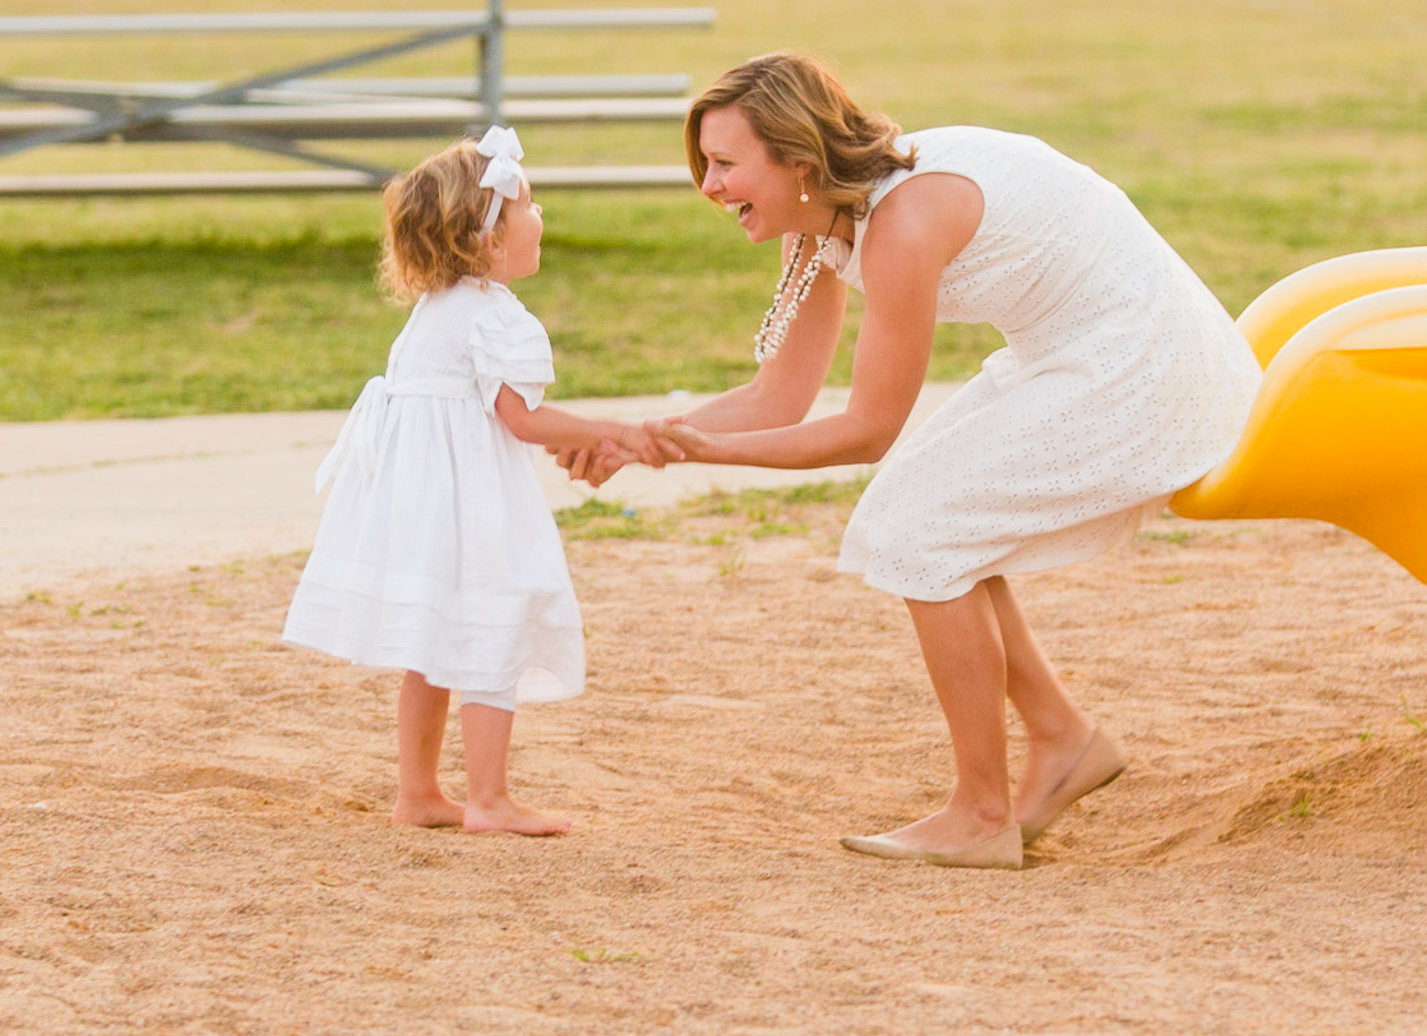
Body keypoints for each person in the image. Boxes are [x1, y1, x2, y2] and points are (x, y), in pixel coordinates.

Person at [557, 53, 1262, 869]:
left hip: (1146, 363)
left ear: (797, 160)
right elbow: (779, 398)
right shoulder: (829, 217)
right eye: (704, 164)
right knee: (935, 520)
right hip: (1074, 352)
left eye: (723, 164)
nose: (707, 187)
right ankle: (1063, 739)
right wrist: (638, 437)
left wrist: (701, 450)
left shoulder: (903, 222)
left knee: (921, 528)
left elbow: (867, 431)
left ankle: (981, 813)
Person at [283, 128, 653, 836]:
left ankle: (418, 793)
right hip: (473, 503)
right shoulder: (498, 319)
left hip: (419, 502)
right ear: (489, 240)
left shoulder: (434, 312)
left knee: (432, 642)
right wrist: (612, 429)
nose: (541, 218)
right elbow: (521, 419)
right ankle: (489, 799)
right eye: (530, 207)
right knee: (493, 622)